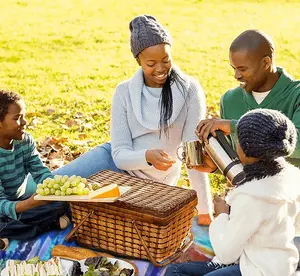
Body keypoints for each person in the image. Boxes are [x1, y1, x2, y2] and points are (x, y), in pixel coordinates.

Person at [52, 15, 212, 224]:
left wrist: (205, 211)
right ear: (138, 61)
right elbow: (119, 155)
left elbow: (193, 156)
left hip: (148, 186)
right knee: (49, 190)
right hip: (112, 163)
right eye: (151, 63)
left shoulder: (190, 90)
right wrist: (146, 156)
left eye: (166, 59)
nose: (161, 69)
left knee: (84, 214)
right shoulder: (124, 92)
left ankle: (57, 217)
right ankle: (10, 213)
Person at [165, 109, 300, 276]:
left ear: (244, 150)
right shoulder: (290, 177)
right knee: (174, 274)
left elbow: (226, 253)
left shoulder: (251, 197)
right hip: (268, 266)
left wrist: (222, 215)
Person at [196, 29, 300, 170]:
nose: (236, 75)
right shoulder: (230, 100)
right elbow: (238, 161)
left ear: (266, 63)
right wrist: (216, 166)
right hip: (250, 189)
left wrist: (235, 127)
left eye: (242, 69)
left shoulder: (296, 95)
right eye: (234, 68)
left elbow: (297, 144)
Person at [0, 90, 70, 241]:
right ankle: (48, 224)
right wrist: (28, 204)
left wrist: (54, 189)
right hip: (5, 207)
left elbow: (40, 172)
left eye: (24, 116)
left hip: (20, 202)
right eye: (17, 118)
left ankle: (13, 232)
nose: (24, 122)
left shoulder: (25, 141)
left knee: (65, 203)